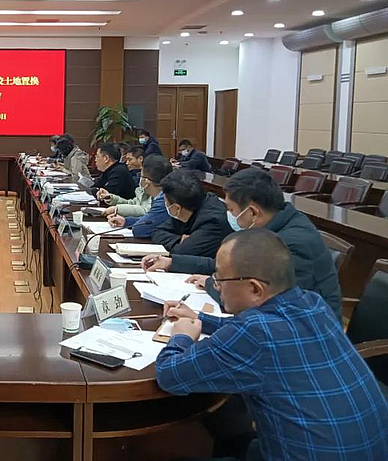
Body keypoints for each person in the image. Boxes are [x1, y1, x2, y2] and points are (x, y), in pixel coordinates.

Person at [156, 230, 388, 461]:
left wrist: (181, 336)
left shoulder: (253, 333)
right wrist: (200, 319)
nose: (216, 286)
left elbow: (169, 374)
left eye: (220, 279)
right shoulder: (312, 303)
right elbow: (259, 333)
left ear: (255, 289)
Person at [154, 168, 343, 321]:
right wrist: (174, 262)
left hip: (308, 335)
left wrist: (213, 284)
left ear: (252, 212)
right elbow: (235, 266)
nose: (229, 216)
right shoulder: (277, 225)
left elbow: (260, 305)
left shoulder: (290, 245)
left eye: (231, 210)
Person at [148, 169, 233, 257]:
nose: (165, 204)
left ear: (177, 208)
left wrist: (185, 243)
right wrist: (179, 239)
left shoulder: (213, 222)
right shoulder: (187, 206)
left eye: (165, 201)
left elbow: (181, 252)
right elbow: (157, 232)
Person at [107, 154, 172, 238]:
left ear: (146, 181)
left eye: (141, 176)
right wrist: (126, 221)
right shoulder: (159, 196)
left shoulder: (164, 200)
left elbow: (139, 230)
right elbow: (147, 220)